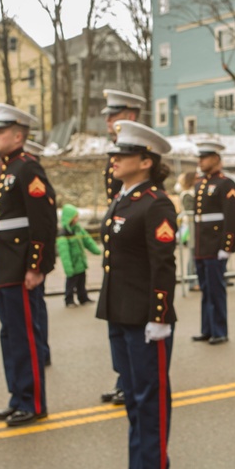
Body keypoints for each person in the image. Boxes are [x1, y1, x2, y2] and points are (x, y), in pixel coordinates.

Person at [95, 120, 178, 469]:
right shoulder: (123, 198)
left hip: (146, 318)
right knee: (133, 400)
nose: (114, 158)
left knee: (151, 403)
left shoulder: (155, 204)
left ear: (145, 161)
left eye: (123, 153)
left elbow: (163, 263)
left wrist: (159, 316)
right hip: (119, 312)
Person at [0, 103, 57, 427]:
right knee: (9, 334)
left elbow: (42, 220)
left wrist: (36, 265)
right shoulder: (7, 168)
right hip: (5, 264)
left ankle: (32, 401)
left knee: (24, 335)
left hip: (20, 266)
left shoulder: (28, 168)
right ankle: (17, 396)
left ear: (18, 135)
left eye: (0, 132)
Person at [100, 89, 146, 406]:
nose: (108, 119)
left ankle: (127, 380)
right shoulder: (116, 157)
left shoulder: (137, 155)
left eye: (114, 114)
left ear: (130, 116)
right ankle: (123, 379)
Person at [191, 139, 235, 345]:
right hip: (202, 246)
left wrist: (226, 247)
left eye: (205, 157)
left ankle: (220, 331)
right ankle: (207, 329)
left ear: (216, 159)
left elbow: (231, 217)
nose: (201, 161)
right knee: (205, 289)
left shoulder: (225, 183)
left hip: (215, 246)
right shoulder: (200, 184)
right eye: (200, 157)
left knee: (216, 291)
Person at [24, 139, 52, 367]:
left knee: (35, 309)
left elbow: (42, 222)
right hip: (23, 255)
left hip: (31, 256)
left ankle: (41, 350)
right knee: (35, 309)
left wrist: (38, 263)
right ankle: (41, 350)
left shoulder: (33, 177)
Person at [57, 203, 101, 307]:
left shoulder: (78, 229)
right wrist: (68, 267)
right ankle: (69, 300)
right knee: (71, 283)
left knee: (82, 282)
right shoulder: (64, 234)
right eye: (75, 216)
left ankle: (83, 298)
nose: (77, 218)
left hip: (80, 262)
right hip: (72, 264)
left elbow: (87, 240)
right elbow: (64, 253)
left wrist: (96, 250)